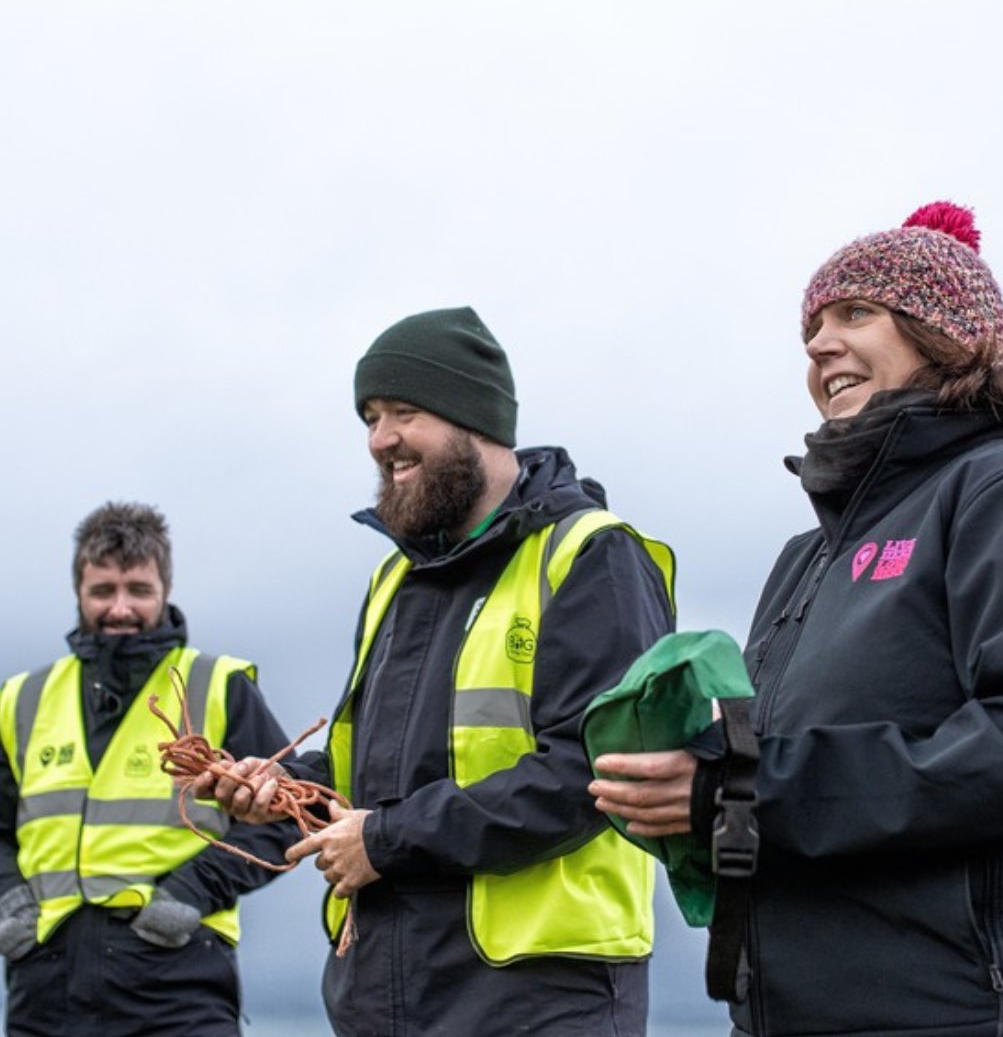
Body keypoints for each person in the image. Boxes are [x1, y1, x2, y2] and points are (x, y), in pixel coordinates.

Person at [589, 202, 1003, 1036]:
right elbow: (786, 777)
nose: (818, 346)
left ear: (946, 336)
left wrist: (739, 793)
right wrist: (693, 783)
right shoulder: (802, 556)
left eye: (856, 313)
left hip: (958, 1013)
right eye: (812, 327)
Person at [201, 306, 677, 1036]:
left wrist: (383, 841)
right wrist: (287, 786)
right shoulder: (394, 578)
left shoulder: (592, 556)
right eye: (370, 416)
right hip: (383, 993)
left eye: (403, 411)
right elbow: (384, 773)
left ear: (474, 418)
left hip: (540, 1002)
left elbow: (593, 776)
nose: (379, 439)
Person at [0, 502, 296, 1037]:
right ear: (78, 594)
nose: (120, 608)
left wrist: (188, 893)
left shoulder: (218, 686)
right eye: (103, 591)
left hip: (176, 983)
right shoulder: (22, 699)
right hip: (44, 987)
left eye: (138, 590)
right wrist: (10, 906)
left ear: (165, 590)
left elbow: (289, 816)